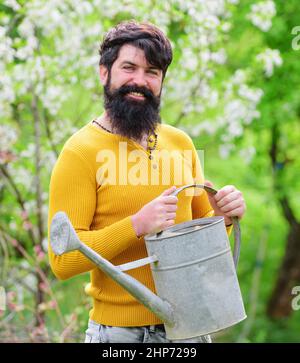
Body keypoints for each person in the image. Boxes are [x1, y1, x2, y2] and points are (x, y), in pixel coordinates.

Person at [48, 20, 246, 343]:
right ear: (104, 72)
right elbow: (62, 260)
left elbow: (202, 246)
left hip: (189, 333)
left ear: (161, 81)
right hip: (118, 337)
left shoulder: (180, 143)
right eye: (129, 67)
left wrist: (222, 218)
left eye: (152, 72)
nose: (139, 81)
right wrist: (136, 225)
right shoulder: (79, 152)